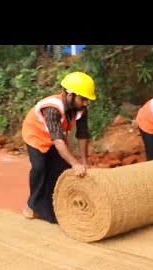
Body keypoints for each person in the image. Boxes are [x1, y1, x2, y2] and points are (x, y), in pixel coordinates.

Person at [21, 71, 96, 223]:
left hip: (57, 137)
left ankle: (57, 203)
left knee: (61, 169)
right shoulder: (53, 108)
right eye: (83, 98)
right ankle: (32, 205)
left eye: (87, 99)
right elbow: (58, 143)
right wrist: (75, 163)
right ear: (70, 95)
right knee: (40, 167)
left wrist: (84, 161)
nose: (86, 102)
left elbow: (82, 134)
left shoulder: (81, 108)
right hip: (36, 135)